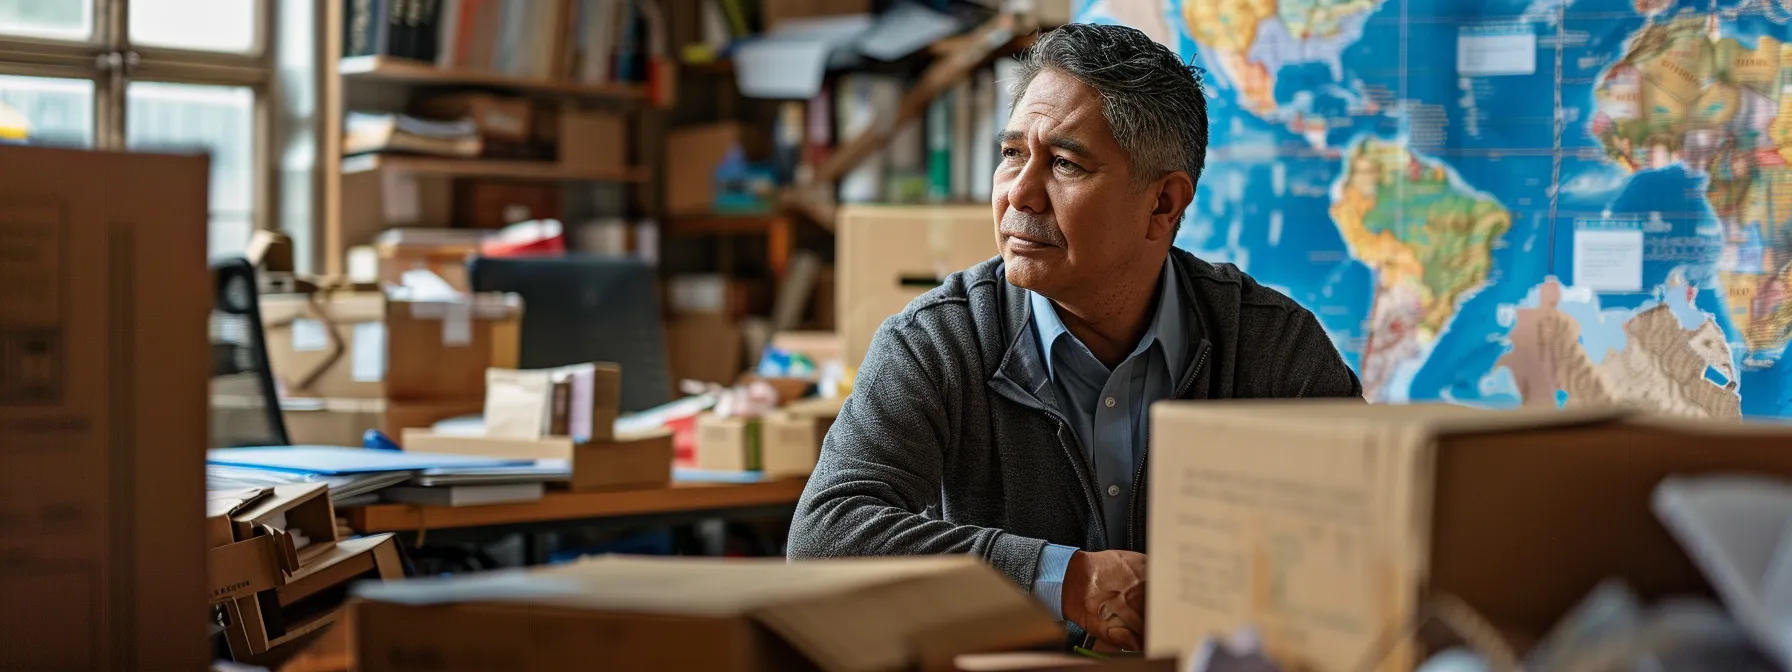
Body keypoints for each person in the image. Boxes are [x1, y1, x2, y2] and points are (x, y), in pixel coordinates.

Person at [786, 23, 1363, 650]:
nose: (1019, 195)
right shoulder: (939, 341)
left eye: (1064, 164)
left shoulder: (1271, 344)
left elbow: (1369, 536)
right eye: (1011, 155)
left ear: (1164, 204)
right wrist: (1065, 579)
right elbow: (825, 536)